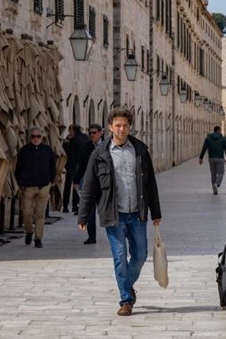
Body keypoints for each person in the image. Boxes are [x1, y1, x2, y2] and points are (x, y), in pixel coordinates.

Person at [78, 108, 162, 316]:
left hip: (137, 213)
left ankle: (127, 284)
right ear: (110, 127)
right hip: (113, 214)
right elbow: (89, 186)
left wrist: (156, 211)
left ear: (129, 126)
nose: (121, 129)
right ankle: (126, 299)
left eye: (124, 125)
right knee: (119, 256)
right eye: (117, 125)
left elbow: (150, 182)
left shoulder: (140, 150)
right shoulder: (99, 154)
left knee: (140, 255)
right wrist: (83, 215)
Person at [15, 126, 57, 248]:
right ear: (30, 138)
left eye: (38, 136)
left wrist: (51, 180)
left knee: (40, 214)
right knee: (27, 213)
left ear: (42, 138)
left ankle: (38, 238)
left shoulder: (47, 150)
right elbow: (18, 168)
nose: (36, 139)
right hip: (28, 187)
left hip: (44, 186)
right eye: (33, 136)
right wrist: (21, 182)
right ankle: (29, 230)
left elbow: (52, 166)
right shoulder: (24, 150)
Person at [75, 123, 103, 245]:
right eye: (90, 133)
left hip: (104, 183)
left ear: (100, 133)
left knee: (106, 209)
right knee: (90, 210)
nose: (92, 135)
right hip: (90, 182)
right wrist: (76, 181)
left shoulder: (108, 146)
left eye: (94, 133)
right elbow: (81, 165)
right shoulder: (86, 147)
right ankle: (92, 236)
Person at [199, 126, 226, 195]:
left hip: (211, 158)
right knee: (221, 173)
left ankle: (214, 190)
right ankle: (217, 184)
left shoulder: (208, 138)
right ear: (219, 130)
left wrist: (201, 158)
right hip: (220, 158)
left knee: (213, 174)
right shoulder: (223, 139)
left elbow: (204, 148)